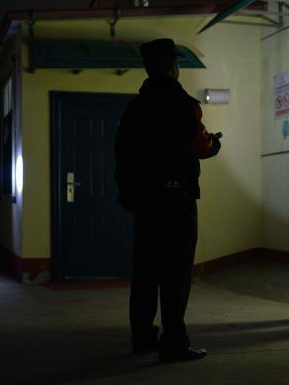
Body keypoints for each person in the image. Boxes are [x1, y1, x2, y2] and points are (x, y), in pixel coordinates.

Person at [114, 38, 221, 362]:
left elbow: (122, 155)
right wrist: (213, 145)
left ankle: (142, 337)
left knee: (145, 271)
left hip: (144, 203)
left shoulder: (134, 109)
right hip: (177, 200)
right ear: (173, 68)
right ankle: (174, 343)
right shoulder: (184, 105)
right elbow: (199, 145)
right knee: (175, 274)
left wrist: (128, 194)